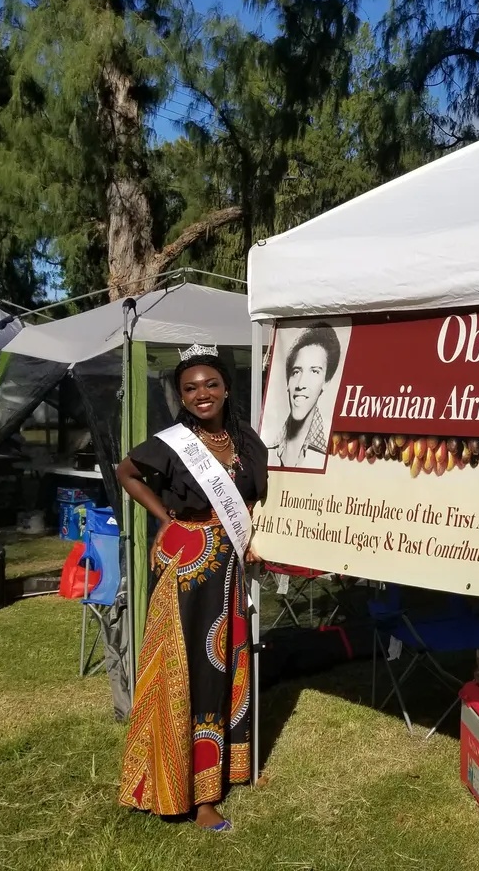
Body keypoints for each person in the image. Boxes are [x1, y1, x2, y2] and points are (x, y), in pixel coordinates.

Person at [115, 347, 267, 832]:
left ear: (226, 388)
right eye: (191, 388)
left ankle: (226, 772)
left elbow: (259, 500)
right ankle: (189, 794)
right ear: (181, 396)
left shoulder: (248, 442)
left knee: (223, 662)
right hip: (185, 563)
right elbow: (126, 472)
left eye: (211, 385)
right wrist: (165, 518)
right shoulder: (174, 443)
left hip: (229, 566)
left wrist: (258, 539)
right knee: (185, 669)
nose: (202, 394)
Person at [269, 324, 341, 469]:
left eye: (314, 371)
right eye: (296, 372)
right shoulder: (266, 446)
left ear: (326, 382)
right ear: (288, 381)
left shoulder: (334, 450)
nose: (301, 384)